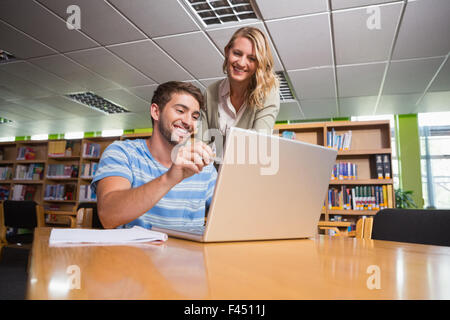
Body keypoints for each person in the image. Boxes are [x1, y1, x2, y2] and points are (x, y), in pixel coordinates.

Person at [92, 81, 217, 230]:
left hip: (190, 253)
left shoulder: (204, 166)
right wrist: (170, 178)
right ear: (156, 112)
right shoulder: (122, 152)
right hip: (135, 253)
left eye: (195, 117)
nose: (189, 122)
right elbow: (108, 216)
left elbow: (228, 215)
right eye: (180, 111)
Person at [199, 26, 280, 144]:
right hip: (212, 162)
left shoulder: (268, 93)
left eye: (251, 58)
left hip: (248, 162)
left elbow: (259, 143)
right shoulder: (210, 92)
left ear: (259, 63)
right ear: (227, 51)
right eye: (237, 53)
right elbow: (201, 142)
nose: (242, 63)